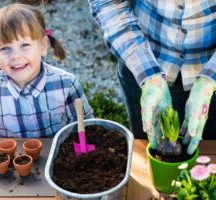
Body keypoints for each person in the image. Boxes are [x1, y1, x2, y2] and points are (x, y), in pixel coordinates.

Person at [0, 3, 94, 149]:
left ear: (42, 46)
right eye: (5, 48)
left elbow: (88, 126)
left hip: (59, 159)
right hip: (15, 165)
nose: (15, 56)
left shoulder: (65, 83)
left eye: (24, 45)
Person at [88, 0, 216, 155]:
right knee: (148, 148)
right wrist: (148, 75)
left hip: (210, 63)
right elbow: (108, 3)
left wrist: (210, 79)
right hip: (143, 62)